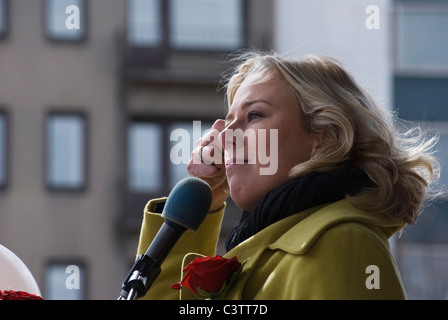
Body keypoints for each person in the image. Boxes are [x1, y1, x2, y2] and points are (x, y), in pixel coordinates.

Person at [134, 51, 440, 300]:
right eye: (228, 121)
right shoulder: (264, 254)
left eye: (254, 115)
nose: (224, 136)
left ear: (324, 139)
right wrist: (204, 198)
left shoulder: (339, 244)